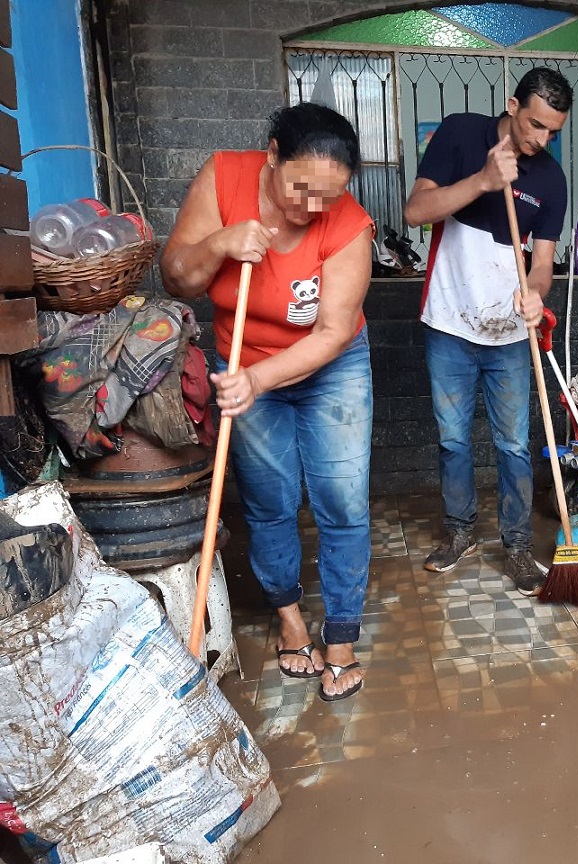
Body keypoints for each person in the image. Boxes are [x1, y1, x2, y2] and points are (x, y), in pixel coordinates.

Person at [160, 102, 374, 702]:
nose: (310, 208)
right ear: (273, 155)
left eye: (327, 197)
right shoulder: (225, 177)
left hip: (329, 369)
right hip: (243, 359)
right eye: (300, 188)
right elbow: (176, 276)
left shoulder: (350, 226)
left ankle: (342, 640)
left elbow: (332, 334)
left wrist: (259, 380)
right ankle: (289, 619)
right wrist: (223, 243)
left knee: (341, 497)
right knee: (270, 498)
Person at [403, 67, 572, 594]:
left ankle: (518, 546)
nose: (541, 140)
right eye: (535, 125)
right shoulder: (459, 134)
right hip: (450, 322)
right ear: (512, 103)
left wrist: (537, 293)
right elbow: (414, 212)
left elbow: (541, 263)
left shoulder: (550, 179)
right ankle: (460, 533)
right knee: (453, 441)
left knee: (514, 446)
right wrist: (482, 181)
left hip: (507, 333)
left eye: (553, 132)